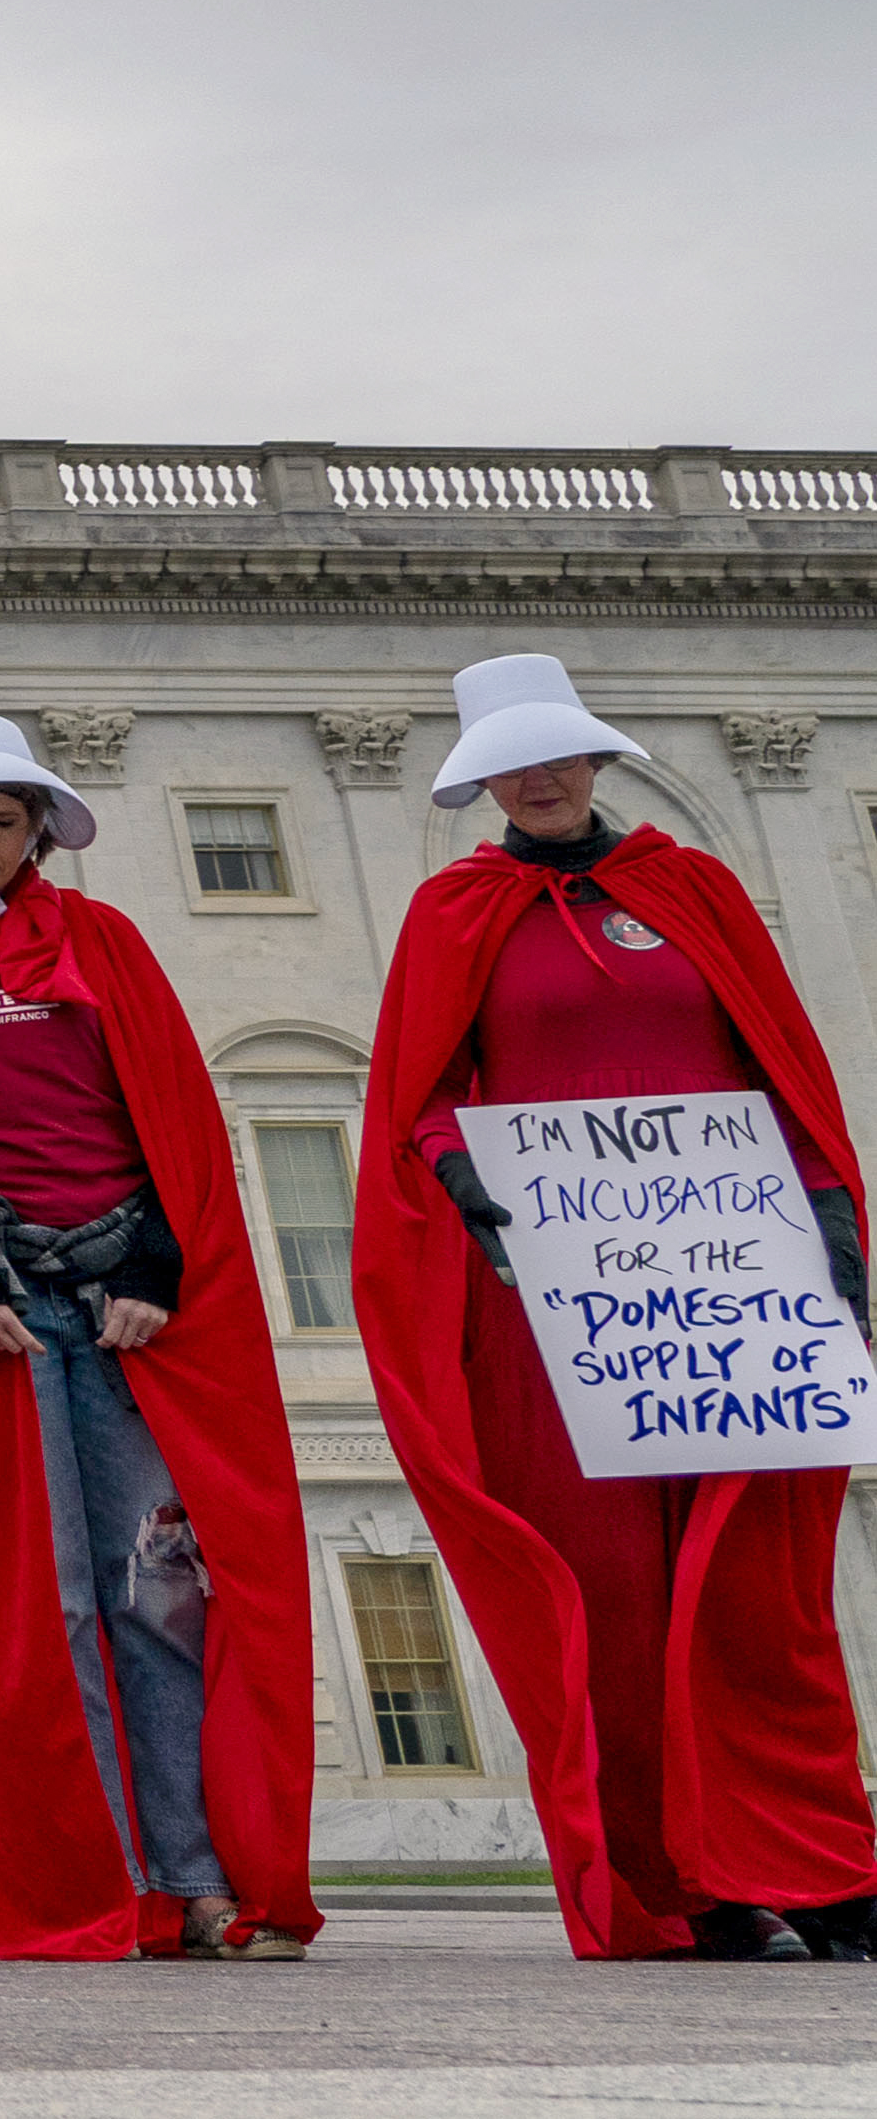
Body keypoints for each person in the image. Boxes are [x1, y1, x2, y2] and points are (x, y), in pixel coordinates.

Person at [358, 655, 877, 1960]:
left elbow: (781, 1068)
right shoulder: (452, 910)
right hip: (557, 1311)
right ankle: (686, 1889)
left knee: (768, 1597)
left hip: (731, 1288)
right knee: (613, 1601)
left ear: (592, 760)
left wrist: (825, 1225)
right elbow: (413, 1096)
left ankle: (821, 1866)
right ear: (482, 779)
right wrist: (456, 1167)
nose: (535, 778)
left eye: (556, 754)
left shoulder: (688, 888)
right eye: (509, 762)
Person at [0, 712, 319, 1960]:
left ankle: (194, 1867)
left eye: (2, 821)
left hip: (118, 1292)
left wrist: (156, 1253)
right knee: (46, 1600)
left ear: (39, 827)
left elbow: (173, 1109)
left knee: (155, 1585)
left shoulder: (101, 941)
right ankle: (100, 1871)